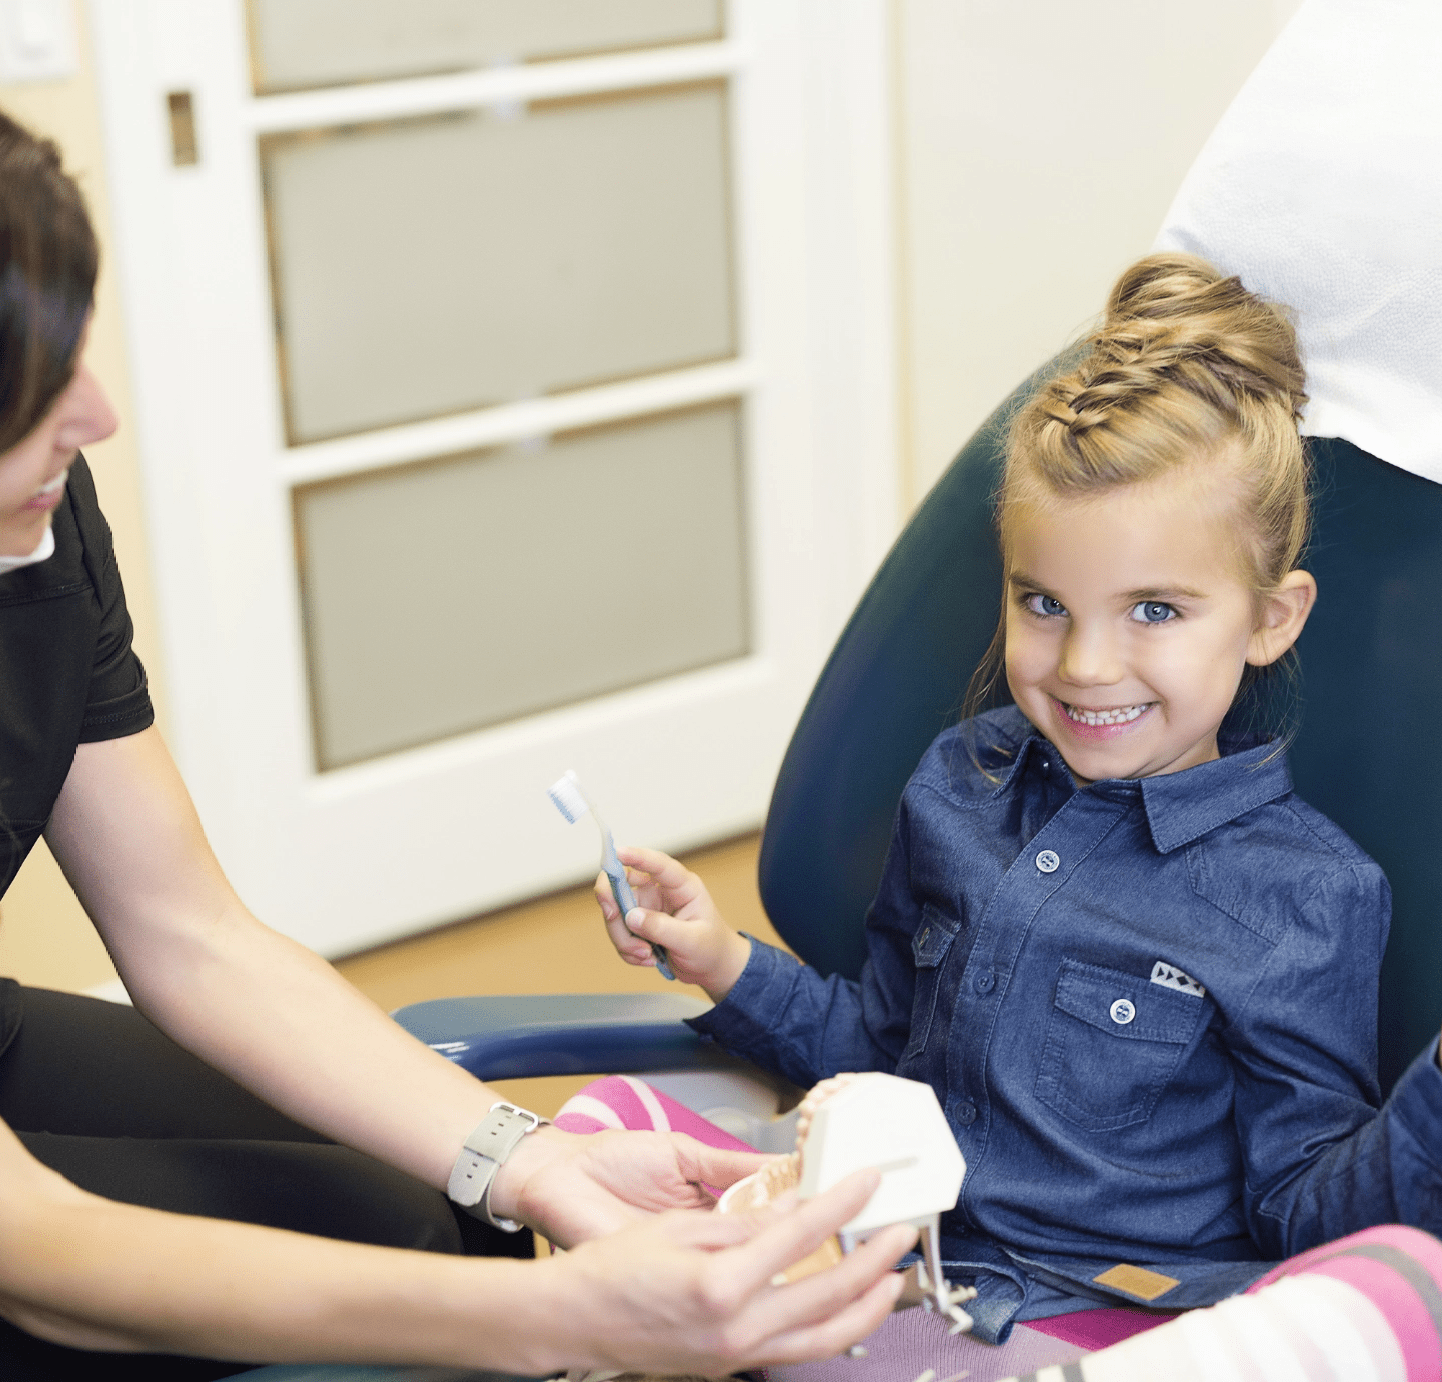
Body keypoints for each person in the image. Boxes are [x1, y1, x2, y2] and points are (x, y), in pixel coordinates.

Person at [0, 111, 918, 1380]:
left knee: (444, 1207)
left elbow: (184, 928)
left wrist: (533, 1159)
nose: (93, 414)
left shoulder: (34, 518)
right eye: (31, 388)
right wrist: (573, 1318)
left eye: (73, 350)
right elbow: (39, 1249)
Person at [593, 254, 1442, 1345]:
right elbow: (878, 1055)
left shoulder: (1307, 895)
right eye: (1042, 602)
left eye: (1152, 609)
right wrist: (718, 957)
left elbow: (1302, 1215)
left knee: (1390, 1297)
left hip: (1112, 1321)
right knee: (604, 1134)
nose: (1085, 663)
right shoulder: (959, 781)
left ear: (1271, 618)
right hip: (894, 1264)